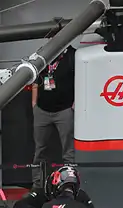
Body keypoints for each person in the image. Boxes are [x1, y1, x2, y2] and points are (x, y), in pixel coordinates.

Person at [31, 46, 76, 191]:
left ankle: (70, 183)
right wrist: (34, 103)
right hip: (42, 110)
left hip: (64, 110)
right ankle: (37, 185)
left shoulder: (72, 55)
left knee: (69, 151)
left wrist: (76, 102)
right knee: (40, 150)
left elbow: (81, 79)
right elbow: (35, 78)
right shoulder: (44, 53)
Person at [13, 165, 100, 208]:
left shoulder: (81, 196)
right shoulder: (42, 194)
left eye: (71, 188)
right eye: (64, 188)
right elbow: (19, 204)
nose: (67, 191)